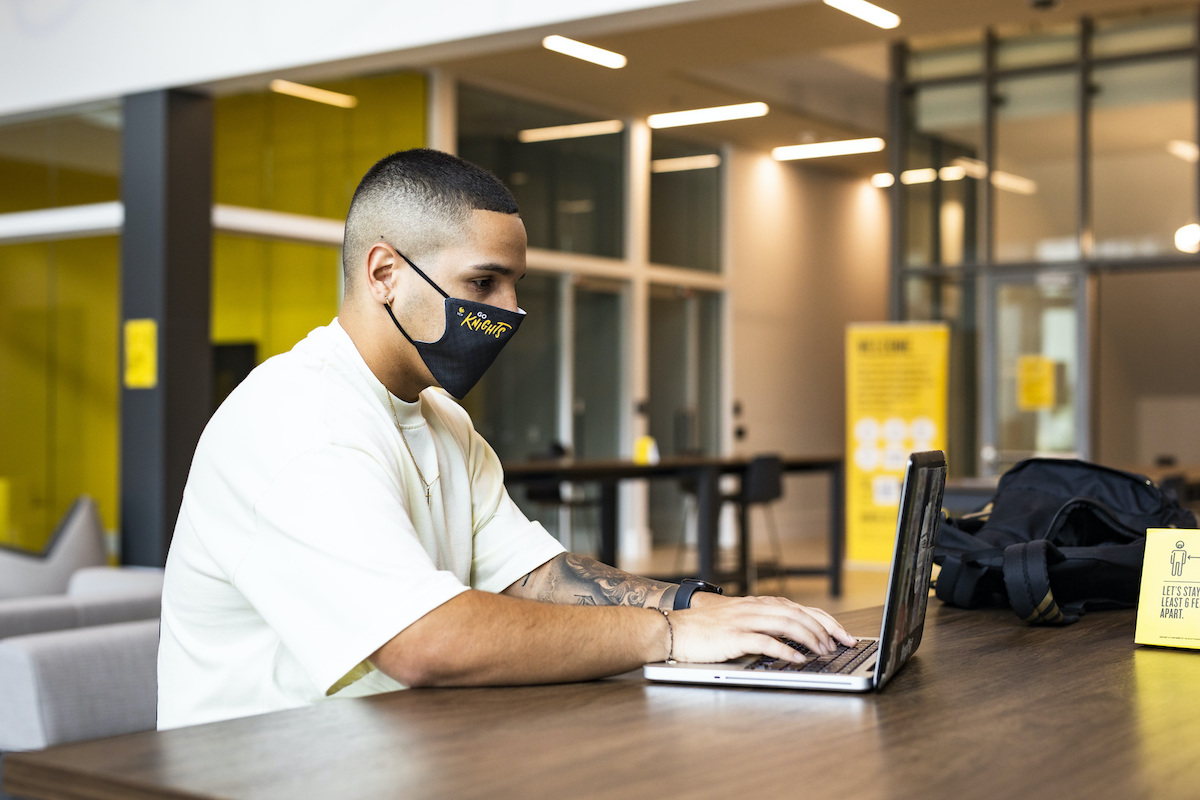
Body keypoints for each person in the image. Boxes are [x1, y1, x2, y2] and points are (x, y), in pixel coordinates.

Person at [157, 148, 854, 729]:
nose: (509, 312)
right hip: (253, 774)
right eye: (482, 283)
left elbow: (534, 578)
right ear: (383, 275)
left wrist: (705, 608)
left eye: (514, 286)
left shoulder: (442, 420)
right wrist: (670, 637)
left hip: (395, 750)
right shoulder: (295, 419)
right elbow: (424, 642)